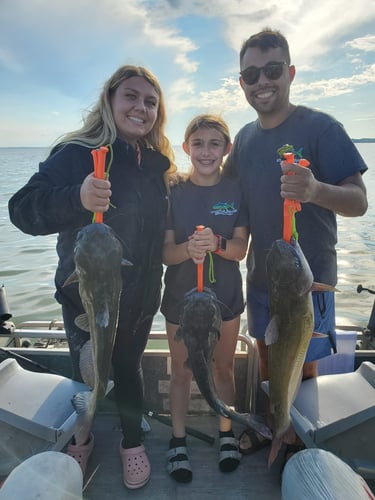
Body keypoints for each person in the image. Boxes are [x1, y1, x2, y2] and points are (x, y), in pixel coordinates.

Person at [8, 65, 177, 490]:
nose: (141, 107)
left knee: (129, 368)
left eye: (151, 102)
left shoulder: (158, 167)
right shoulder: (77, 153)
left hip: (138, 301)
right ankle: (80, 437)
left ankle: (131, 440)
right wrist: (77, 197)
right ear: (110, 101)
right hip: (84, 297)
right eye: (131, 97)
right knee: (90, 371)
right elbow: (22, 208)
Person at [223, 29, 368, 461]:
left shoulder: (322, 127)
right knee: (268, 362)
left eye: (271, 70)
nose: (262, 81)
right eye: (252, 73)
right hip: (263, 281)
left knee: (303, 370)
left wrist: (315, 190)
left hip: (311, 282)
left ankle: (300, 442)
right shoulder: (245, 141)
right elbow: (225, 200)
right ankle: (274, 429)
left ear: (290, 73)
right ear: (242, 82)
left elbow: (359, 201)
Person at [160, 114, 249, 483]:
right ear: (186, 148)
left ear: (226, 149)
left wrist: (217, 244)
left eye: (215, 144)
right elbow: (166, 252)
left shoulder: (235, 190)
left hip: (226, 297)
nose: (206, 151)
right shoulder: (173, 191)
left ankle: (226, 431)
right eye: (198, 143)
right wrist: (188, 248)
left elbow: (242, 248)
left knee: (222, 368)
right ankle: (177, 439)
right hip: (181, 298)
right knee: (180, 371)